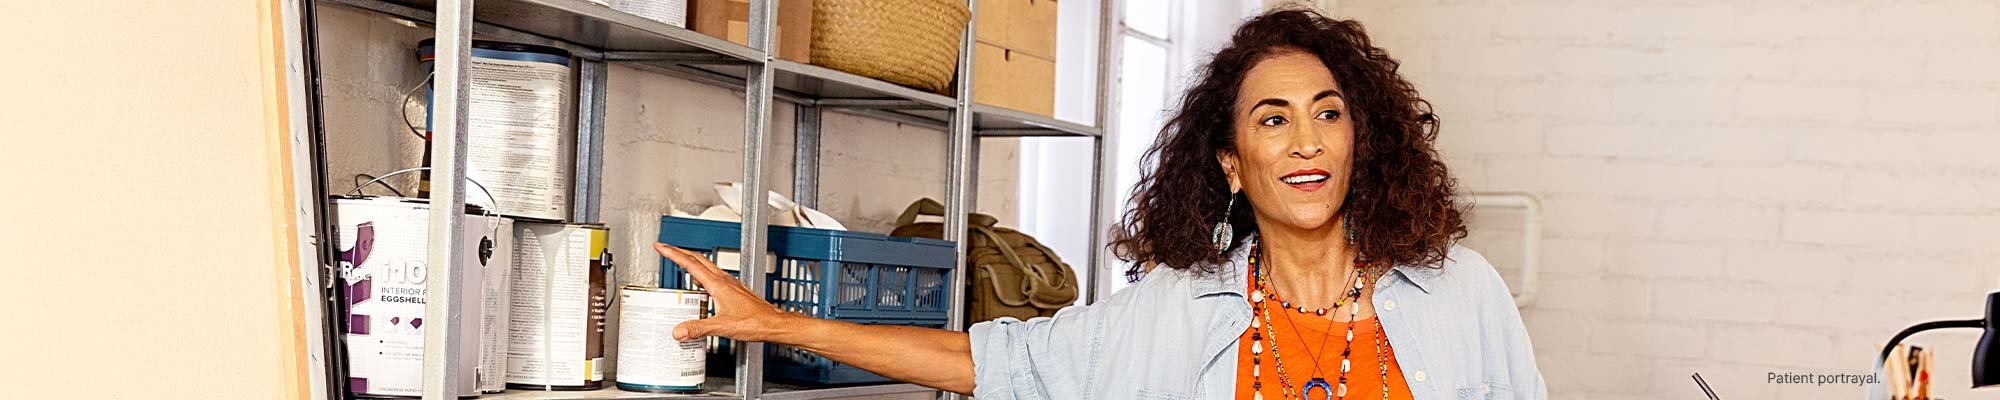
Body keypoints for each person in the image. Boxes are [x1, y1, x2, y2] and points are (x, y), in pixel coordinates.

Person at [652, 7, 1545, 400]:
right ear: (1233, 163)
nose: (1306, 140)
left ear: (1360, 141)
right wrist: (783, 325)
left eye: (1328, 114)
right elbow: (993, 365)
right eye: (1274, 120)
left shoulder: (1462, 295)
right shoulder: (1174, 309)